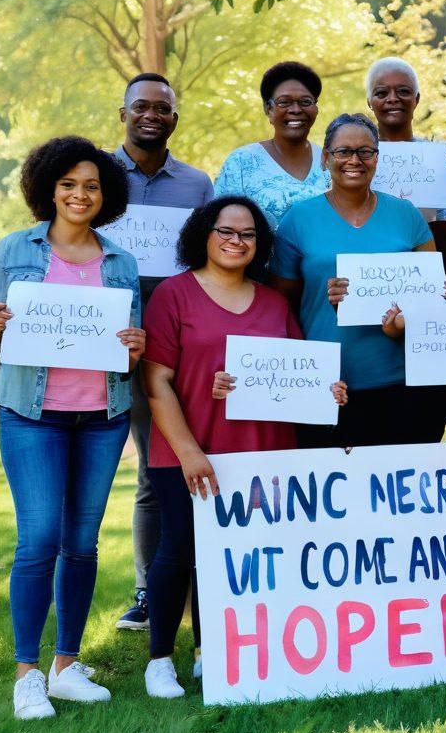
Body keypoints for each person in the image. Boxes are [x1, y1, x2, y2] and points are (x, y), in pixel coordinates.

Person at [0, 137, 144, 720]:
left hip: (101, 416)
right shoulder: (17, 250)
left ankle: (67, 667)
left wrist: (135, 346)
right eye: (68, 184)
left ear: (106, 195)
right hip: (31, 415)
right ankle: (27, 675)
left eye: (91, 185)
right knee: (38, 540)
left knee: (82, 543)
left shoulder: (120, 261)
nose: (79, 194)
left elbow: (129, 352)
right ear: (49, 188)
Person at [139, 195, 346, 698]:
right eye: (225, 231)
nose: (236, 241)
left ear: (260, 244)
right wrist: (189, 451)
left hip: (264, 451)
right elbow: (157, 382)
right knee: (179, 551)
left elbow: (297, 372)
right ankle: (161, 658)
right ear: (204, 235)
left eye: (248, 234)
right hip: (190, 448)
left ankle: (217, 650)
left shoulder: (275, 303)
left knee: (243, 556)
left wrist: (328, 392)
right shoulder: (173, 295)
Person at [271, 113, 446, 447]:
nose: (354, 160)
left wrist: (445, 293)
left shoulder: (406, 214)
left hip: (405, 382)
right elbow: (282, 305)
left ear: (376, 158)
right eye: (343, 152)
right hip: (329, 385)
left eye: (365, 152)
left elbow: (433, 299)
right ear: (325, 158)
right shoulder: (299, 219)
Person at [113, 72, 214, 635]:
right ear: (123, 113)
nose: (152, 115)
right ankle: (151, 592)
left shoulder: (197, 185)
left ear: (175, 117)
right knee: (154, 472)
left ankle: (209, 584)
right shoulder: (96, 177)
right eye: (141, 107)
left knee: (194, 461)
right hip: (114, 345)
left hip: (186, 345)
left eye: (164, 109)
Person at [365, 56, 446, 256]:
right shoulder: (356, 157)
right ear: (369, 102)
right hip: (369, 268)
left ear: (417, 99)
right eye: (381, 93)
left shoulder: (440, 158)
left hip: (427, 267)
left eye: (403, 91)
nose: (393, 98)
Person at [214, 61, 329, 228]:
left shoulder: (331, 162)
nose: (296, 109)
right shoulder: (241, 163)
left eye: (305, 102)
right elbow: (221, 227)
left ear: (316, 108)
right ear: (268, 109)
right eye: (284, 102)